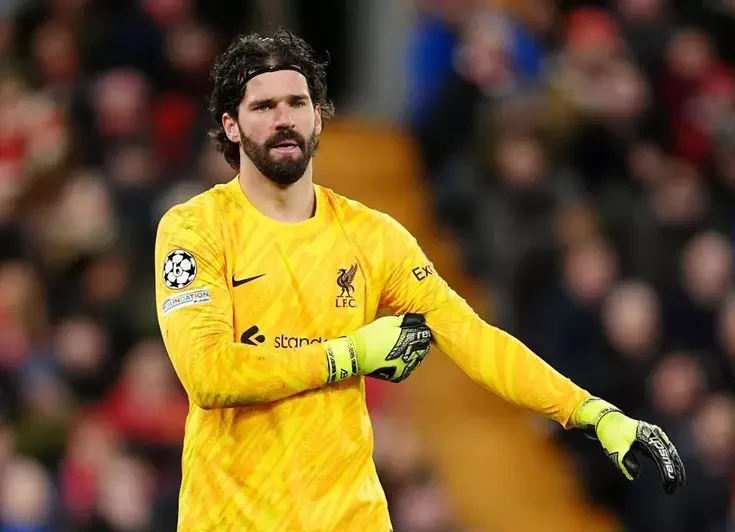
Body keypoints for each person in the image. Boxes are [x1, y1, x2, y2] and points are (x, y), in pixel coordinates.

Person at [154, 30, 686, 532]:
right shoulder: (195, 229)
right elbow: (209, 374)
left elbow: (473, 338)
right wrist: (348, 356)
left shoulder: (371, 235)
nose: (284, 119)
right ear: (231, 126)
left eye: (297, 103)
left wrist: (591, 412)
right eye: (264, 106)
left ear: (318, 117)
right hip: (232, 517)